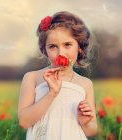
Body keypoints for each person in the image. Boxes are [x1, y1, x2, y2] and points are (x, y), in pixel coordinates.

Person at [18, 11, 98, 140]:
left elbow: (91, 131)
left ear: (80, 47)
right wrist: (51, 94)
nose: (61, 53)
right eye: (53, 46)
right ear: (44, 50)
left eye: (67, 44)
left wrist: (86, 122)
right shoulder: (32, 78)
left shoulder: (85, 83)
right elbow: (24, 122)